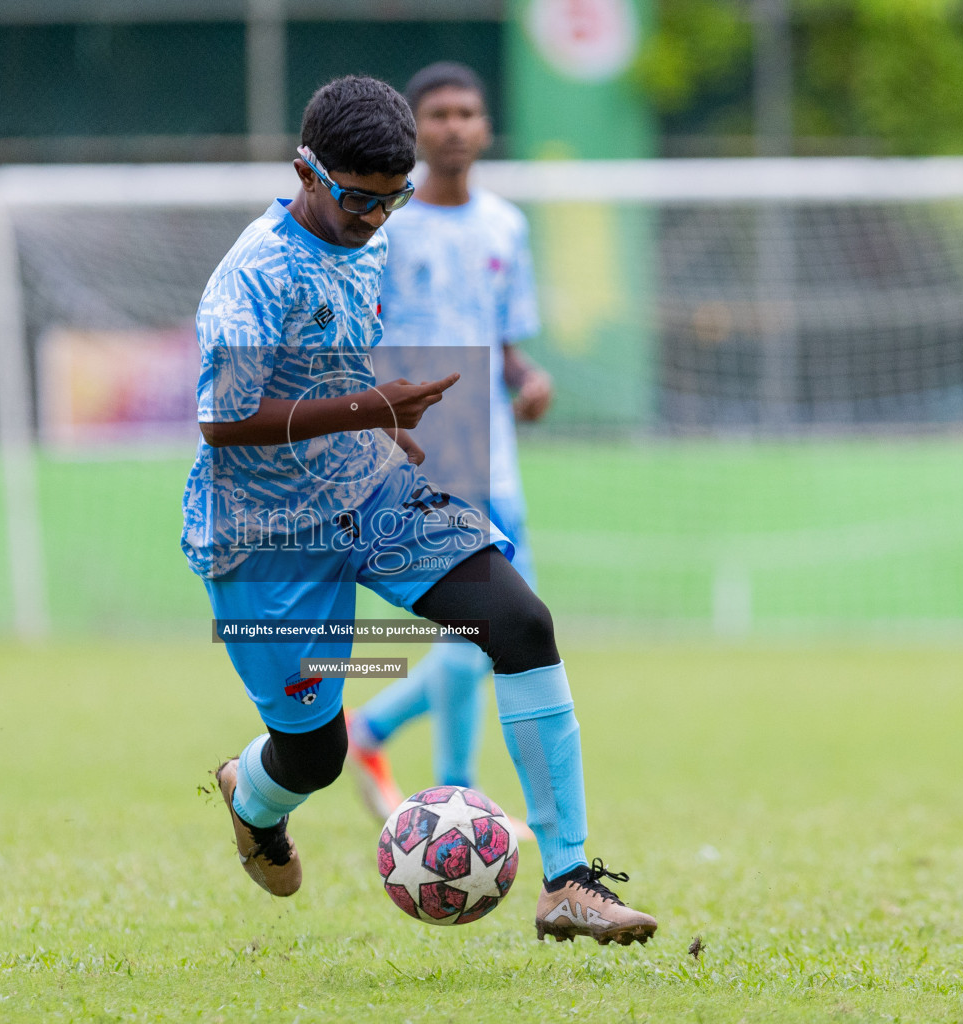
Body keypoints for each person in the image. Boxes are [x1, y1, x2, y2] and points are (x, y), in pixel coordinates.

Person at [184, 74, 656, 945]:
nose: (373, 217)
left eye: (391, 199)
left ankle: (569, 882)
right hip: (267, 537)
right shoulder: (251, 274)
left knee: (520, 622)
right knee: (314, 756)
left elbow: (329, 352)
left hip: (370, 494)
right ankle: (251, 797)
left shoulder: (373, 236)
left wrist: (375, 425)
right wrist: (372, 409)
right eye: (356, 198)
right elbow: (223, 422)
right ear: (304, 169)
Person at [345, 63, 554, 838]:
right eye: (437, 114)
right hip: (422, 452)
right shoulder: (386, 231)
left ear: (485, 127)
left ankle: (370, 732)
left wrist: (529, 381)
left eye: (468, 111)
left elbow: (506, 346)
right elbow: (360, 342)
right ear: (415, 129)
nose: (454, 126)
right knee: (486, 626)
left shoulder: (506, 226)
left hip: (493, 452)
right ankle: (458, 798)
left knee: (511, 625)